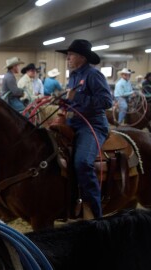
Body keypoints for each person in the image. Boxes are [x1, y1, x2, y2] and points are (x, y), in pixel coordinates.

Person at [56, 39, 113, 220]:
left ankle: (95, 214)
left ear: (81, 57)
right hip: (74, 122)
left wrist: (77, 97)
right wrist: (64, 101)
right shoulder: (74, 75)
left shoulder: (93, 75)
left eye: (71, 55)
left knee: (83, 162)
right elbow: (73, 99)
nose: (68, 58)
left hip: (93, 125)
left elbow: (106, 102)